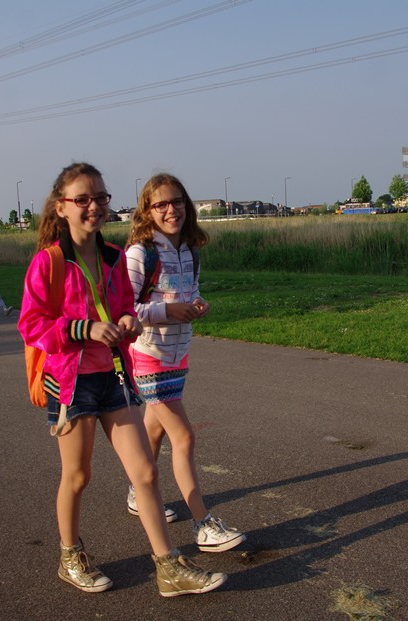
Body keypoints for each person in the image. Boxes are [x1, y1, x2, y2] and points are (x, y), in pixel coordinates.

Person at [17, 162, 226, 598]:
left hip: (113, 376)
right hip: (71, 382)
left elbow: (123, 308)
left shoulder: (113, 256)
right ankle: (70, 556)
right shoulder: (49, 262)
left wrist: (128, 321)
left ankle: (168, 568)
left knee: (145, 472)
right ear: (62, 207)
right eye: (83, 199)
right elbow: (32, 324)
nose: (94, 206)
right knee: (78, 476)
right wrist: (85, 329)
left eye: (100, 197)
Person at [125, 173, 246, 552]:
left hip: (179, 352)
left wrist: (197, 304)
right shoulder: (140, 253)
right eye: (160, 204)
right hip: (148, 355)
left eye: (176, 201)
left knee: (155, 431)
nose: (170, 210)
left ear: (186, 205)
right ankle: (203, 525)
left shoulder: (191, 251)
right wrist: (169, 311)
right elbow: (123, 310)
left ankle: (137, 491)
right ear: (147, 211)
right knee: (183, 436)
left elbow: (191, 292)